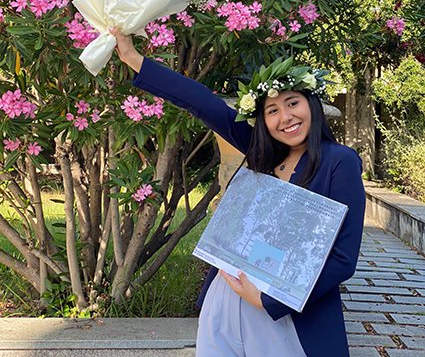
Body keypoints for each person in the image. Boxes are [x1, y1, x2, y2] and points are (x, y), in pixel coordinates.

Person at [111, 29, 366, 357]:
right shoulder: (262, 152)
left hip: (285, 312)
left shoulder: (339, 162)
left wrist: (267, 300)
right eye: (272, 110)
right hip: (226, 296)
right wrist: (133, 58)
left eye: (293, 103)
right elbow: (201, 102)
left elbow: (343, 259)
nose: (285, 117)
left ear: (312, 105)